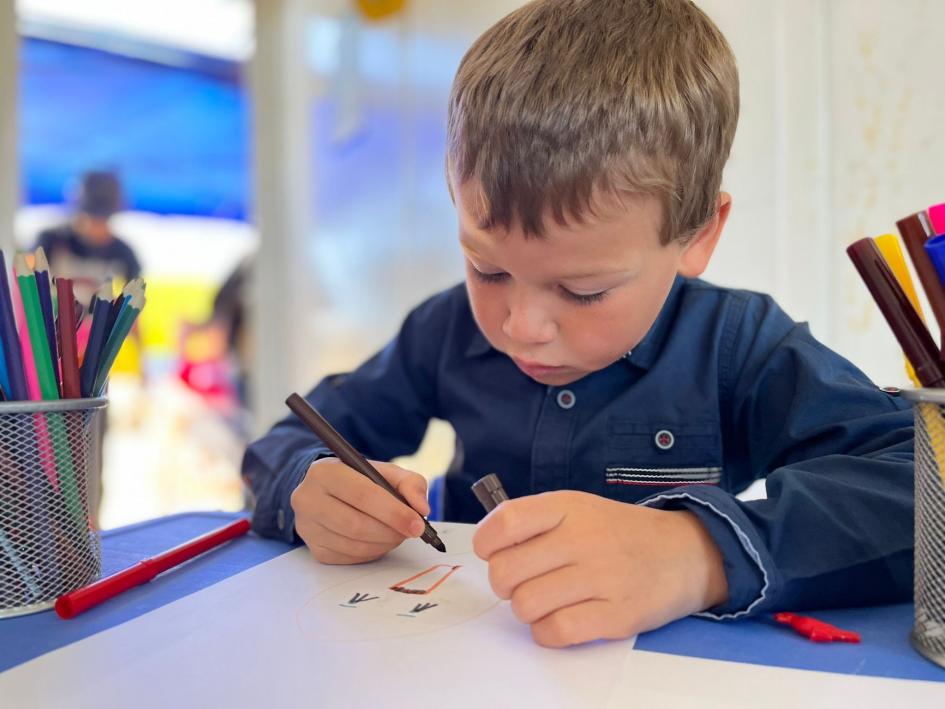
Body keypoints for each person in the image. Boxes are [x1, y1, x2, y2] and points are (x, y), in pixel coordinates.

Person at [242, 0, 914, 648]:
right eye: (487, 269)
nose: (523, 326)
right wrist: (307, 485)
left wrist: (696, 553)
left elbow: (916, 484)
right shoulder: (444, 329)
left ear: (697, 233)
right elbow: (288, 439)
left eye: (582, 289)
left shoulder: (736, 345)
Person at [35, 170, 142, 308]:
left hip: (96, 326)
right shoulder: (52, 241)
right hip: (52, 325)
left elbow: (132, 307)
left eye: (105, 218)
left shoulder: (123, 253)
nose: (98, 226)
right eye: (93, 217)